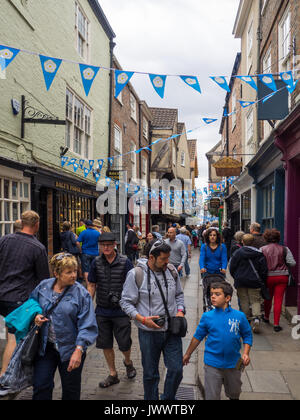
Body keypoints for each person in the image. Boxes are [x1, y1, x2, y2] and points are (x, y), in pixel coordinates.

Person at [120, 240, 186, 400]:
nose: (167, 262)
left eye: (168, 258)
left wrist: (180, 311)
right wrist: (142, 319)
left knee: (177, 370)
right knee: (150, 374)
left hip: (172, 330)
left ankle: (168, 398)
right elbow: (125, 302)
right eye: (163, 259)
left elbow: (179, 294)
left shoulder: (171, 270)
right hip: (149, 333)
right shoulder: (136, 274)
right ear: (151, 257)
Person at [30, 253, 98, 400]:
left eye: (75, 271)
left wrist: (79, 350)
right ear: (57, 273)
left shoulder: (81, 294)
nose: (74, 275)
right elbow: (32, 303)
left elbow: (87, 324)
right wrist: (36, 314)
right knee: (41, 386)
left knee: (70, 391)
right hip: (45, 347)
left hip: (71, 348)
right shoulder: (43, 287)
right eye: (68, 272)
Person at [0, 210, 50, 377]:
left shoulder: (4, 240)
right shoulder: (38, 247)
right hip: (19, 299)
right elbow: (44, 280)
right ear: (36, 225)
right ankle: (5, 376)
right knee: (14, 337)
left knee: (10, 333)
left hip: (2, 294)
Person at [183, 282, 252, 400]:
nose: (212, 297)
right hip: (212, 364)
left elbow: (247, 335)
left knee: (234, 393)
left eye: (217, 294)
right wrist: (188, 354)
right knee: (212, 396)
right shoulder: (207, 316)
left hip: (234, 364)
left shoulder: (239, 316)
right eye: (211, 294)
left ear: (227, 298)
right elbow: (197, 337)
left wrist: (246, 353)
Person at [87, 232, 136, 388]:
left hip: (121, 310)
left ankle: (128, 362)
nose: (106, 248)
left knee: (124, 343)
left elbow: (132, 285)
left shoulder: (125, 262)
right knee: (105, 343)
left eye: (109, 245)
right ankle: (113, 374)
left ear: (115, 244)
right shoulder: (96, 262)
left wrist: (132, 308)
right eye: (103, 245)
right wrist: (88, 305)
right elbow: (92, 284)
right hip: (102, 310)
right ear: (100, 246)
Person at [229, 234, 268, 333]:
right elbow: (263, 269)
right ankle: (256, 318)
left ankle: (246, 319)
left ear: (242, 241)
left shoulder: (238, 253)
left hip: (241, 280)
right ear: (253, 242)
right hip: (254, 281)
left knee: (244, 300)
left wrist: (236, 277)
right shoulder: (259, 253)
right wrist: (261, 279)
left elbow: (232, 267)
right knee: (255, 300)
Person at [261, 229, 296, 332]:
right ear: (278, 238)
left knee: (267, 298)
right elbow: (292, 263)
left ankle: (266, 317)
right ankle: (276, 324)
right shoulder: (284, 249)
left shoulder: (262, 249)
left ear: (266, 238)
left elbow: (259, 263)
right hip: (282, 276)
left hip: (268, 277)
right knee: (278, 300)